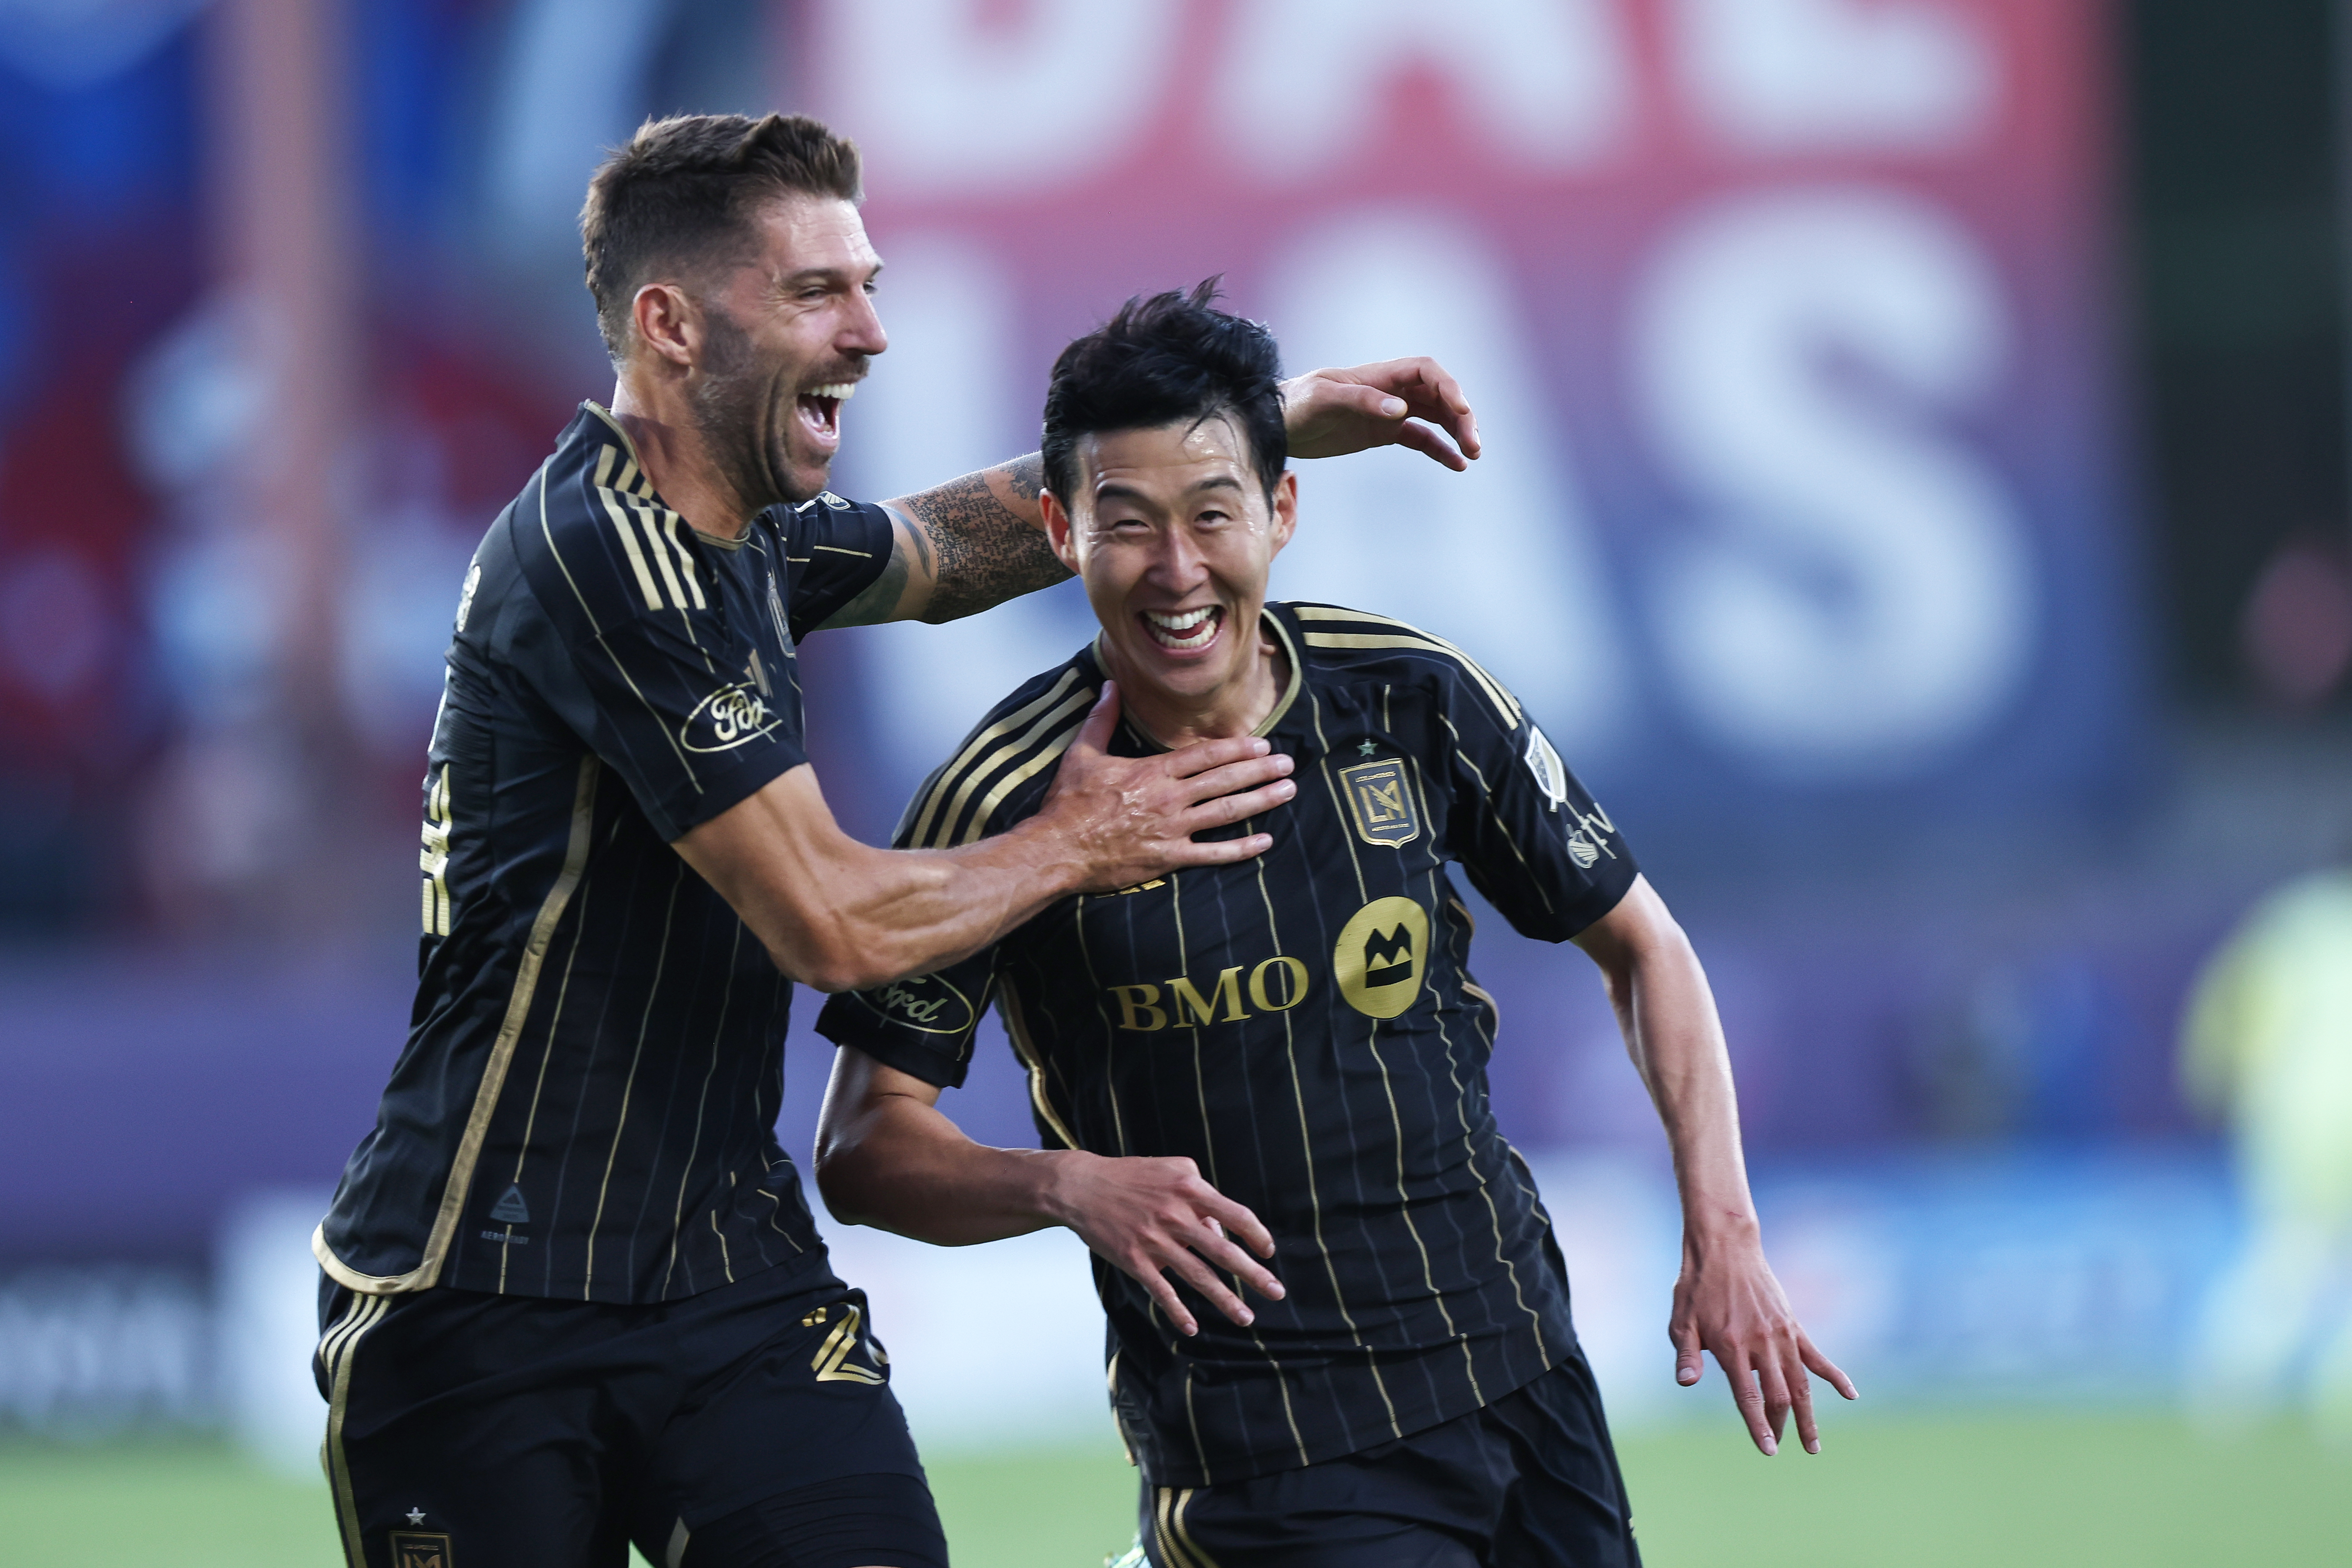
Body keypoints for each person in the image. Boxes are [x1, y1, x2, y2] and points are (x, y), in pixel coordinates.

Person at [312, 115, 1481, 1568]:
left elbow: (943, 549)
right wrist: (1078, 841)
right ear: (671, 325)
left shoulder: (740, 536)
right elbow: (832, 923)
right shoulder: (599, 555)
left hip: (722, 1276)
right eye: (817, 293)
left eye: (864, 285)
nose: (869, 332)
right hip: (481, 1291)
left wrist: (1260, 416)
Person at [814, 282, 1855, 1568]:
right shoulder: (1001, 795)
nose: (1177, 570)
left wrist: (1726, 1234)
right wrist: (1067, 1188)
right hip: (1265, 1452)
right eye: (1127, 525)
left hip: (1518, 1376)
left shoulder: (1412, 697)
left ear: (1282, 509)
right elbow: (864, 1145)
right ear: (1058, 529)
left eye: (1212, 515)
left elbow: (1643, 945)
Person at [2179, 861, 2352, 1442]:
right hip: (2320, 1110)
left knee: (2294, 1251)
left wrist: (2215, 1077)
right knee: (2306, 1254)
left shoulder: (2292, 922)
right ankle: (2306, 1392)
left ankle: (2230, 1378)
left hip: (2290, 1111)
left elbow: (2231, 1005)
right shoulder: (2297, 922)